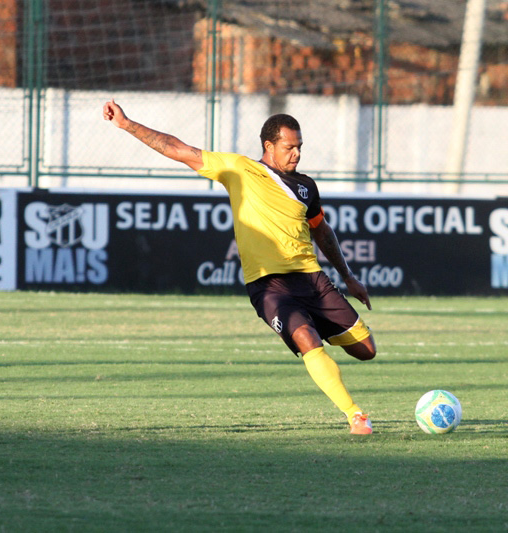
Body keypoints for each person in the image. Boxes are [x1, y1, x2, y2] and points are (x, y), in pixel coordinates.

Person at [102, 100, 377, 434]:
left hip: (312, 280)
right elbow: (178, 148)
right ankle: (355, 415)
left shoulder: (306, 186)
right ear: (269, 145)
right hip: (269, 286)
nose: (296, 154)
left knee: (366, 350)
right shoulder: (238, 169)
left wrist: (347, 275)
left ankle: (321, 336)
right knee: (306, 339)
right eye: (289, 147)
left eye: (300, 147)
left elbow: (321, 229)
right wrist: (128, 124)